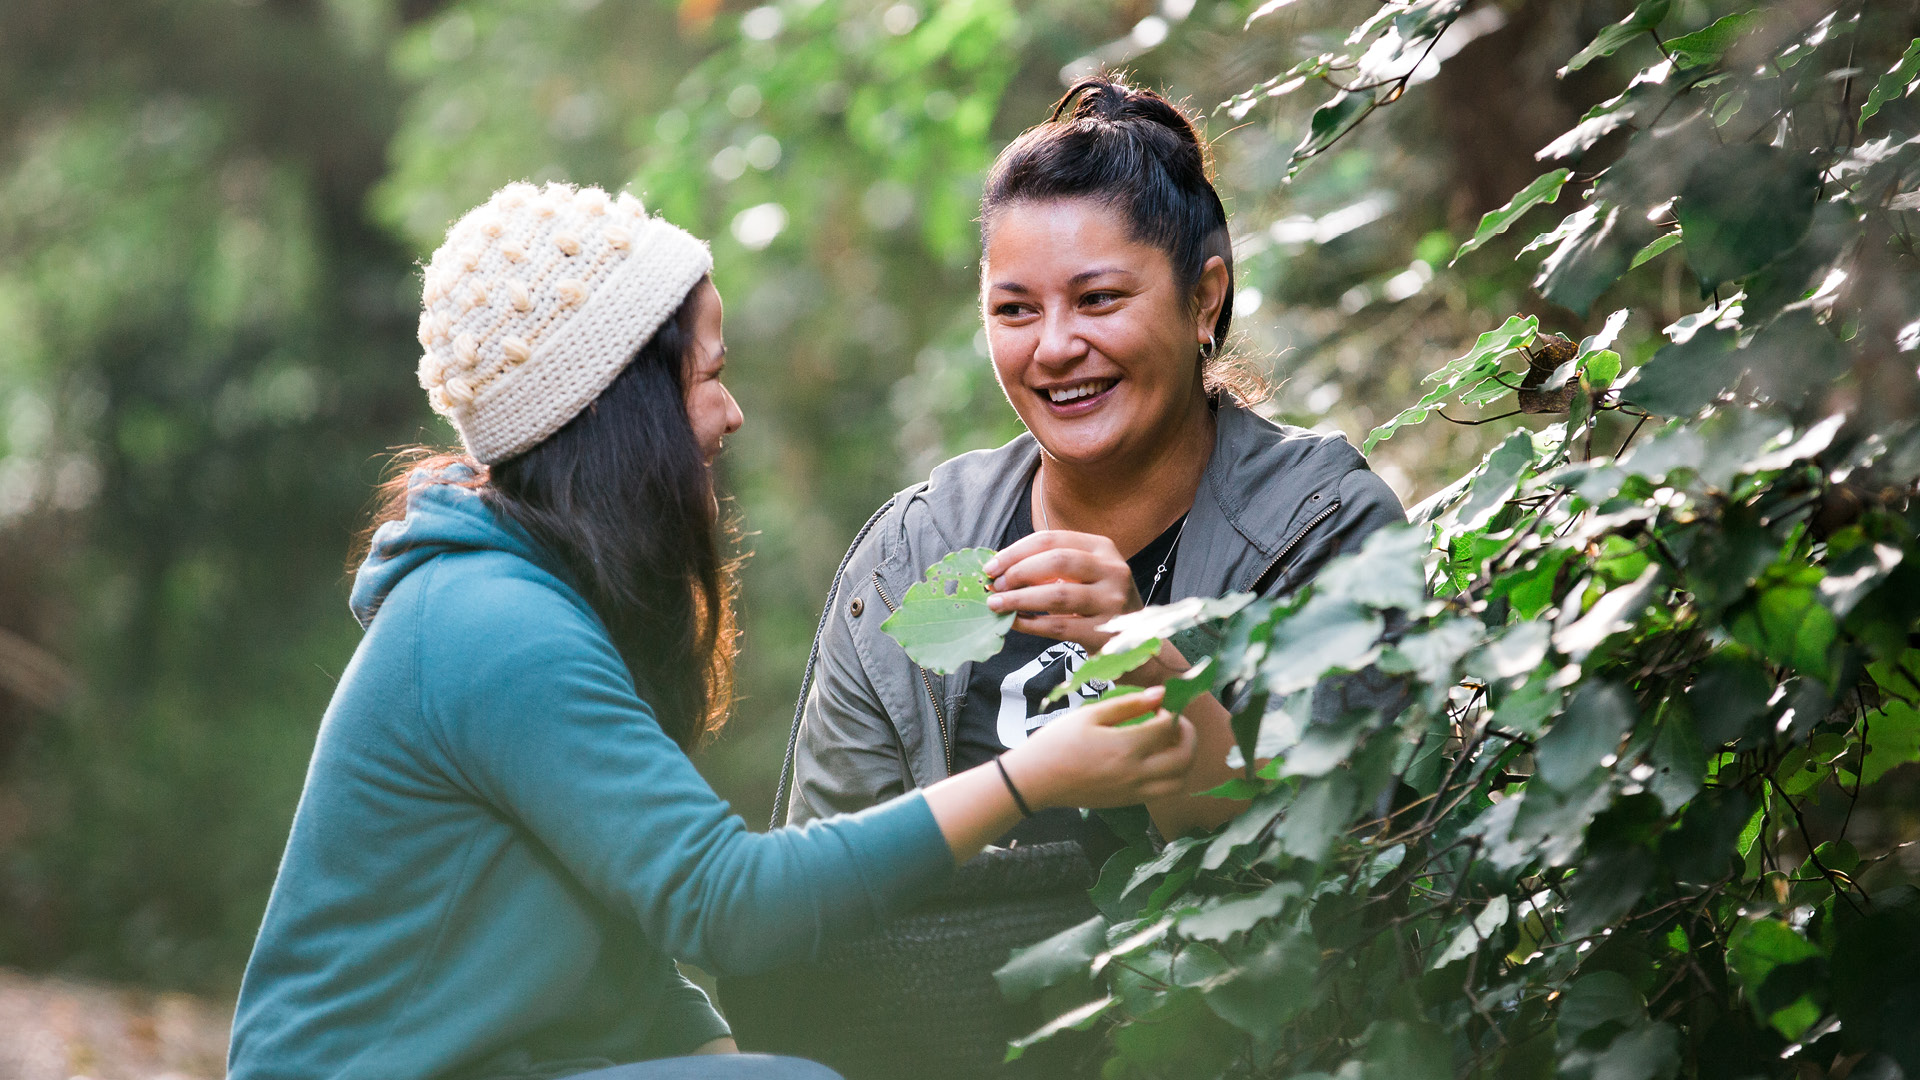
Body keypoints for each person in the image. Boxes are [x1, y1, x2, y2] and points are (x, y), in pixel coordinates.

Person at [225, 180, 1197, 1080]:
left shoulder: (522, 598)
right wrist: (1032, 777)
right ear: (619, 408)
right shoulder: (494, 627)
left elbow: (622, 936)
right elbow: (728, 902)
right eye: (709, 376)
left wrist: (714, 1050)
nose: (731, 413)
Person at [782, 78, 1406, 856]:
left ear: (1204, 301)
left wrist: (1138, 649)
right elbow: (823, 892)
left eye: (1099, 299)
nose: (1053, 347)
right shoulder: (912, 556)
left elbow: (1345, 867)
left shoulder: (1322, 526)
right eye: (1014, 310)